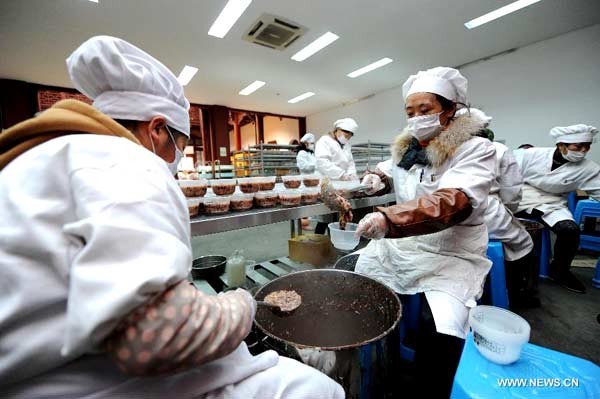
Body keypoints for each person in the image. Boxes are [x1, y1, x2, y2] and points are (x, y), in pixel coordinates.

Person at [0, 36, 344, 399]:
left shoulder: (45, 159)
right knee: (316, 389)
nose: (177, 161)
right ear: (156, 129)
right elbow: (154, 336)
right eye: (180, 145)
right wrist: (241, 306)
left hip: (45, 368)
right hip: (79, 383)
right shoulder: (127, 162)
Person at [356, 67, 496, 397]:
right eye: (410, 112)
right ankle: (378, 361)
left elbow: (453, 202)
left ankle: (429, 388)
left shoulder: (475, 149)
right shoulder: (410, 149)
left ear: (450, 110)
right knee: (356, 282)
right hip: (404, 244)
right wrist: (377, 178)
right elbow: (390, 172)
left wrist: (388, 220)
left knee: (441, 329)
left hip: (452, 250)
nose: (417, 118)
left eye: (425, 110)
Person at [456, 108, 535, 307]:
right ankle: (516, 294)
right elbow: (511, 191)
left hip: (452, 217)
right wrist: (508, 210)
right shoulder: (498, 149)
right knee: (523, 244)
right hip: (489, 214)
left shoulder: (444, 150)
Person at [514, 124, 600, 294]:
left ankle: (560, 271)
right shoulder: (530, 155)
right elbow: (504, 175)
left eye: (587, 146)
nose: (583, 151)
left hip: (553, 203)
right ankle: (519, 271)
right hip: (521, 197)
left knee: (570, 230)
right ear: (561, 145)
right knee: (514, 229)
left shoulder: (588, 168)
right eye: (578, 146)